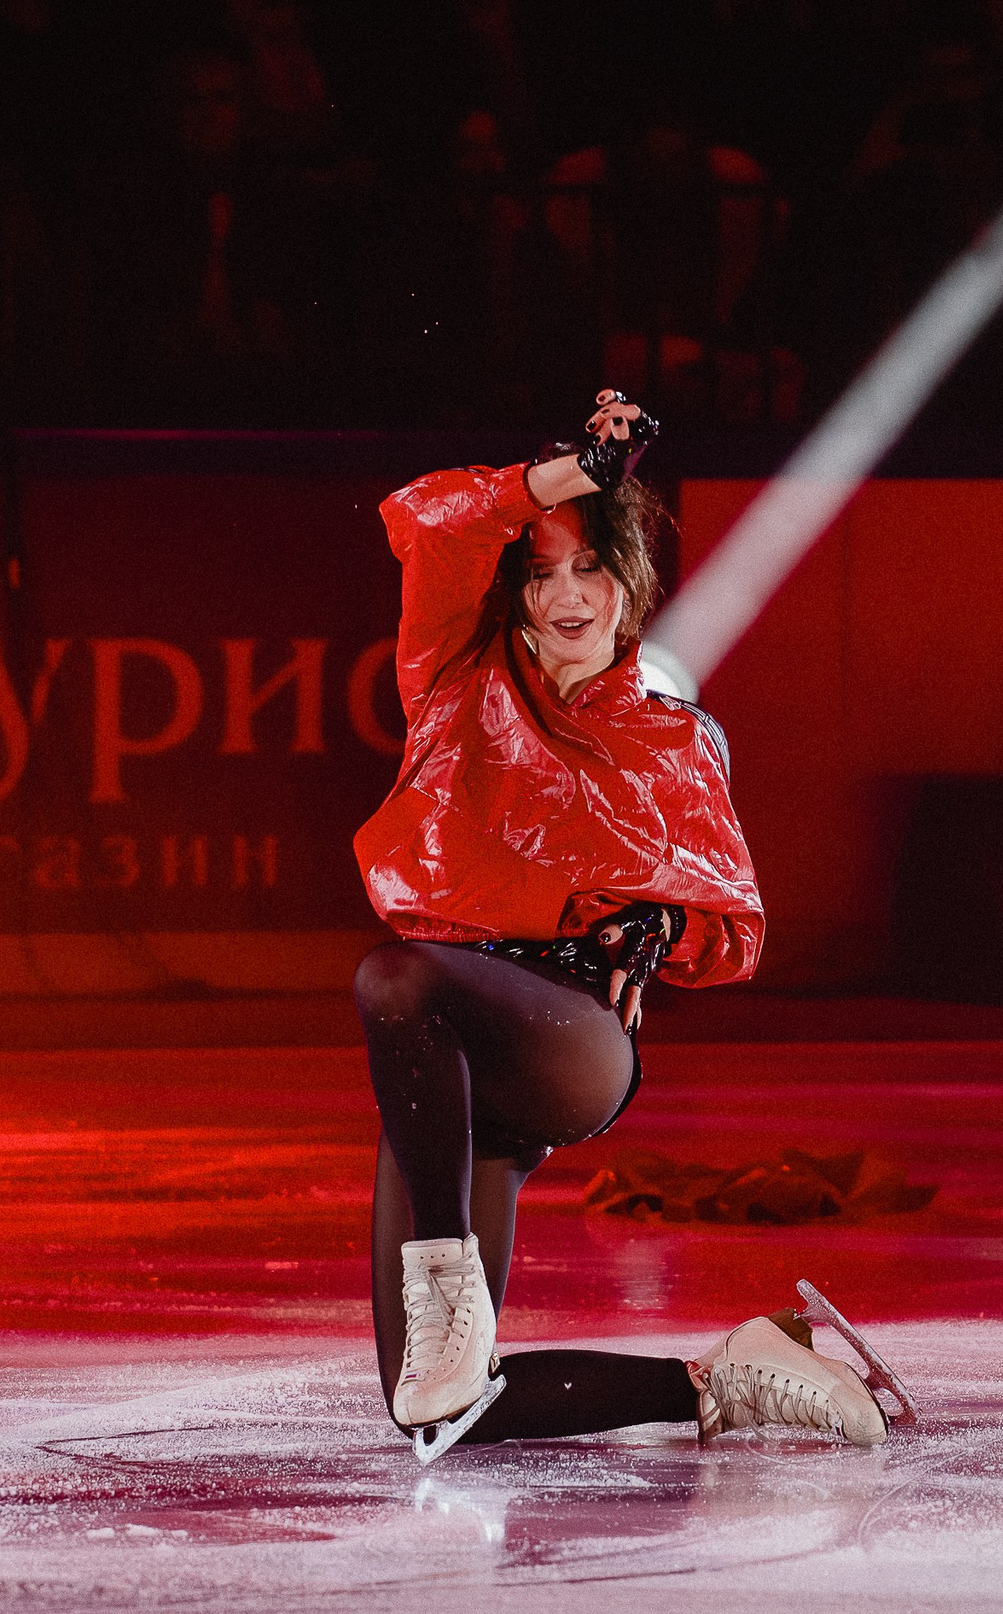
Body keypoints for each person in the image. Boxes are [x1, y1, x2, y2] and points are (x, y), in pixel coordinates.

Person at [352, 389, 899, 1458]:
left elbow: (728, 926)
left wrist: (652, 927)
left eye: (591, 567)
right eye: (542, 570)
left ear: (630, 585)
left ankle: (445, 1285)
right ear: (509, 591)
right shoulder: (455, 684)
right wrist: (565, 480)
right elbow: (424, 520)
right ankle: (726, 1375)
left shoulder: (673, 738)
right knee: (435, 1412)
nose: (566, 594)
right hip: (448, 1076)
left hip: (567, 1037)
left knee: (393, 979)